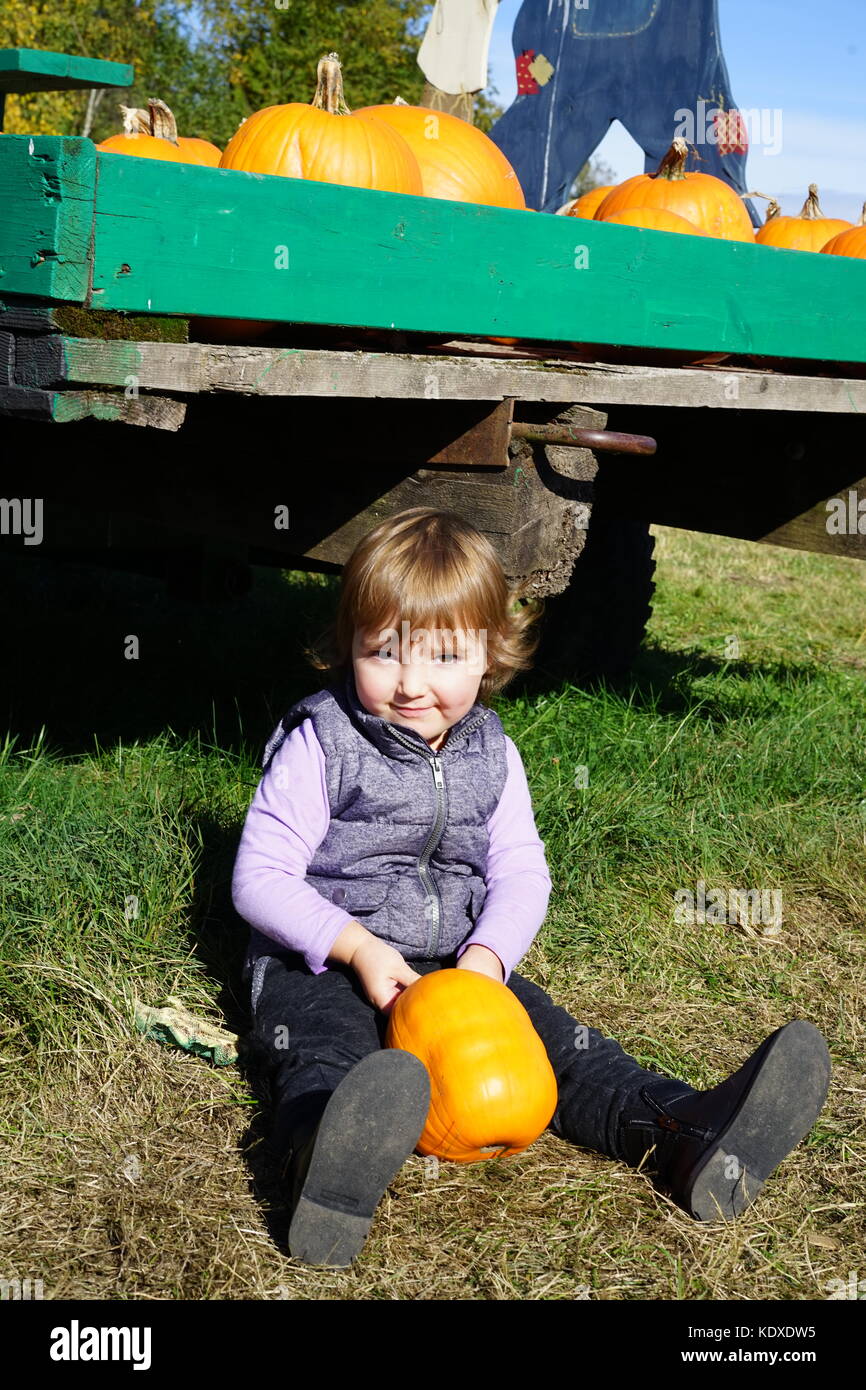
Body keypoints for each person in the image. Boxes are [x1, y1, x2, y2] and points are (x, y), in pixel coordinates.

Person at [232, 506, 831, 1268]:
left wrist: (488, 957)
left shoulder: (494, 753)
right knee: (325, 1050)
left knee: (568, 1049)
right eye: (383, 652)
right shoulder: (324, 741)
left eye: (442, 656)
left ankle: (681, 1131)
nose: (412, 684)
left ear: (490, 653)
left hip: (456, 961)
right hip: (318, 958)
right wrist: (353, 947)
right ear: (348, 642)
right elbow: (259, 878)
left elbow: (521, 871)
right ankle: (319, 1162)